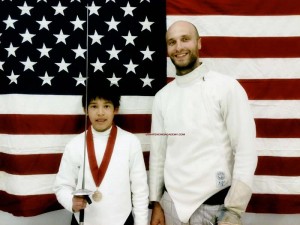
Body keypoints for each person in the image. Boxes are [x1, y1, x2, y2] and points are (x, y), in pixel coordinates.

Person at [149, 20, 258, 225]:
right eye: (172, 42)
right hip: (171, 206)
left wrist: (234, 209)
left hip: (216, 206)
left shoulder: (226, 87)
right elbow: (158, 155)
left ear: (199, 43)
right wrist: (156, 203)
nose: (179, 47)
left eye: (185, 39)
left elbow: (245, 149)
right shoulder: (162, 97)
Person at [53, 80, 149, 225]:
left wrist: (141, 223)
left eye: (106, 106)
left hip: (122, 220)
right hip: (83, 221)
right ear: (85, 110)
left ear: (115, 109)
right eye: (93, 106)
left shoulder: (131, 142)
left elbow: (140, 190)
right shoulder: (74, 145)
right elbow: (62, 186)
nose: (100, 112)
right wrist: (71, 202)